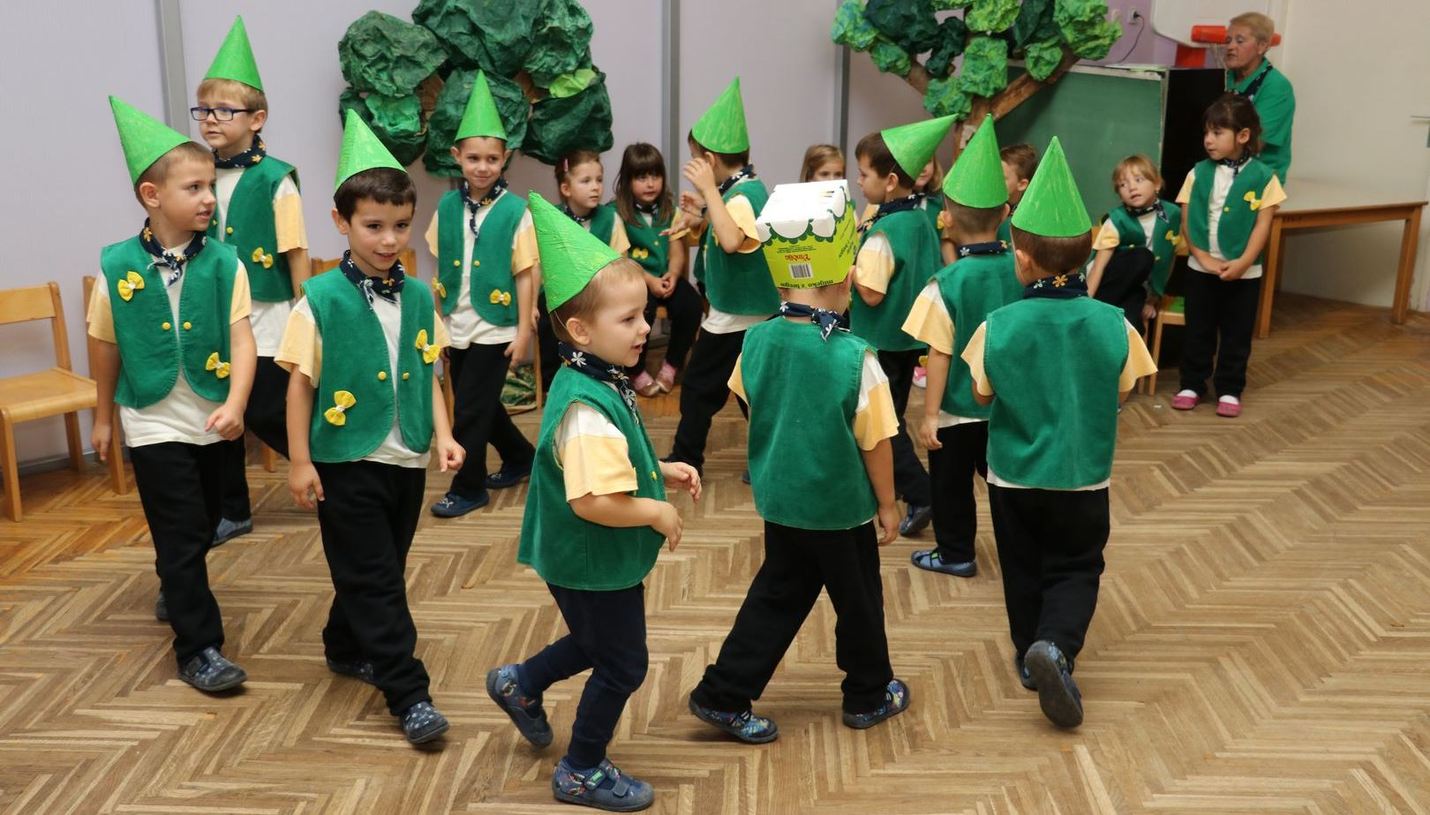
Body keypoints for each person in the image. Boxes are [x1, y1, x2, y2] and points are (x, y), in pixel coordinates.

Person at [486, 193, 700, 812]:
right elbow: (592, 501)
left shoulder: (594, 374)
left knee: (594, 639)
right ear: (580, 331)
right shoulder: (585, 406)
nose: (646, 329)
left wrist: (656, 470)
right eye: (629, 319)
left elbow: (613, 457)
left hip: (584, 556)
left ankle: (520, 683)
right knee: (623, 664)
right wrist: (655, 510)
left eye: (644, 316)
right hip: (586, 552)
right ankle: (580, 769)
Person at [687, 216, 908, 745]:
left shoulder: (755, 340)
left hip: (782, 500)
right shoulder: (856, 357)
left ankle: (723, 692)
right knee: (859, 602)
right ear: (847, 280)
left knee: (777, 596)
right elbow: (876, 442)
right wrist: (888, 504)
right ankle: (868, 693)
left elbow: (747, 394)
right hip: (839, 509)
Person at [960, 137, 1157, 728]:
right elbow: (1124, 390)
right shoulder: (1114, 323)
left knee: (1021, 566)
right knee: (1076, 565)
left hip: (1013, 477)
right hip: (1081, 475)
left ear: (1021, 260)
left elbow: (981, 396)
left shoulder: (998, 325)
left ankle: (1029, 653)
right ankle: (1057, 645)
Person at [279, 111, 463, 744]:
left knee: (378, 566)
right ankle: (409, 694)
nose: (389, 239)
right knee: (379, 580)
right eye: (374, 226)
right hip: (344, 461)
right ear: (342, 222)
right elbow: (300, 386)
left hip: (405, 457)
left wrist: (444, 435)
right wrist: (300, 461)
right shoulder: (319, 300)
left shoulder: (419, 296)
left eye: (401, 226)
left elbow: (431, 370)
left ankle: (342, 642)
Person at [89, 97, 255, 692]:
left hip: (213, 416)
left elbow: (243, 340)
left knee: (206, 521)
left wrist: (236, 404)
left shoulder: (227, 263)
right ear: (152, 195)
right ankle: (199, 648)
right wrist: (103, 417)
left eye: (211, 186)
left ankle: (175, 578)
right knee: (180, 530)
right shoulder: (116, 266)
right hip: (152, 419)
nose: (209, 198)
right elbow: (104, 344)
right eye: (194, 188)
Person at [197, 16, 309, 546]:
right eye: (204, 110)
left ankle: (326, 470)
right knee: (221, 410)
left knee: (265, 407)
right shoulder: (196, 173)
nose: (210, 120)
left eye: (224, 110)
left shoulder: (275, 179)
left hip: (266, 314)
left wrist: (305, 313)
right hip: (215, 314)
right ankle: (232, 508)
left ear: (257, 119)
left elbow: (295, 250)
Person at [902, 115, 1021, 579]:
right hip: (1004, 406)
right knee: (1005, 485)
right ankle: (1019, 554)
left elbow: (939, 353)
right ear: (1006, 214)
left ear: (946, 219)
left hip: (955, 410)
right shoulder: (1021, 273)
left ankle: (956, 553)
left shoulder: (946, 283)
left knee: (950, 487)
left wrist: (930, 415)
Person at [424, 71, 537, 517]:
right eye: (473, 158)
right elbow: (440, 268)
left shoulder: (516, 212)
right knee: (481, 402)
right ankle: (520, 456)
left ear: (505, 158)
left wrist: (524, 330)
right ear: (457, 157)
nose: (483, 167)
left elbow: (526, 273)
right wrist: (438, 322)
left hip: (497, 327)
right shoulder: (446, 207)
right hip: (458, 322)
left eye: (492, 158)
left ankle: (469, 487)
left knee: (469, 410)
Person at [665, 78, 779, 477]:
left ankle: (686, 457)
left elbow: (732, 241)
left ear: (710, 160)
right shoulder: (743, 189)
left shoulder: (741, 195)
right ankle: (771, 460)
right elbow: (734, 232)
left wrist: (709, 196)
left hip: (736, 313)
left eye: (696, 160)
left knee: (699, 387)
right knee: (749, 392)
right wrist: (701, 214)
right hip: (747, 312)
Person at [851, 114, 955, 536]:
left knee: (882, 426)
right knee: (888, 419)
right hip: (905, 340)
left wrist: (849, 271)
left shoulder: (884, 232)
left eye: (864, 174)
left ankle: (921, 493)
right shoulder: (920, 219)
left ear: (890, 181)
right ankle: (894, 488)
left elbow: (872, 294)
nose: (859, 182)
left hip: (880, 340)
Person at [1172, 94, 1286, 418]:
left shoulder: (1264, 177)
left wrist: (1244, 262)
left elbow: (1263, 225)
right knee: (1198, 330)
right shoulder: (1197, 173)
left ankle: (1230, 388)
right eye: (1206, 132)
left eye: (1217, 132)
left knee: (1237, 334)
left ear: (1243, 135)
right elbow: (1187, 218)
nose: (1208, 140)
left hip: (1244, 273)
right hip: (1200, 269)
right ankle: (1192, 383)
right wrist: (1202, 257)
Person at [538, 148, 633, 393]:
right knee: (548, 317)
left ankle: (606, 377)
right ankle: (553, 385)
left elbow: (620, 265)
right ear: (566, 188)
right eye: (586, 181)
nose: (595, 187)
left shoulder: (610, 218)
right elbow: (542, 267)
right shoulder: (552, 218)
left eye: (599, 180)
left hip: (600, 296)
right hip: (563, 298)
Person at [614, 142, 702, 396]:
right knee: (642, 309)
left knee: (691, 305)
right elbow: (621, 259)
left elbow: (677, 251)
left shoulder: (671, 212)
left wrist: (673, 274)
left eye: (655, 176)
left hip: (665, 278)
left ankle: (672, 365)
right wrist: (649, 281)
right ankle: (635, 369)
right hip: (635, 281)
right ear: (627, 181)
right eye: (642, 177)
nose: (650, 183)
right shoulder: (616, 214)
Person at [1087, 155, 1182, 329]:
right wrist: (1085, 304)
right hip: (1105, 283)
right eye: (1123, 185)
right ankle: (1099, 312)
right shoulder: (1117, 219)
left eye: (1139, 180)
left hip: (1136, 287)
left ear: (1157, 184)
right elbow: (1098, 267)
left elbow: (1168, 259)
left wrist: (1152, 300)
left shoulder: (1172, 215)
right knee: (1143, 257)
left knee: (1133, 326)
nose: (1132, 188)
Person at [1223, 11, 1294, 182]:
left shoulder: (1277, 86)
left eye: (1240, 41)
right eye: (1228, 40)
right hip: (1223, 166)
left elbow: (1253, 144)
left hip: (1260, 175)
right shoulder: (1225, 77)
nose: (1230, 47)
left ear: (1262, 46)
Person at [997, 143, 1038, 246]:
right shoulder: (993, 204)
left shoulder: (1026, 220)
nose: (995, 182)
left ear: (1022, 184)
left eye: (1002, 178)